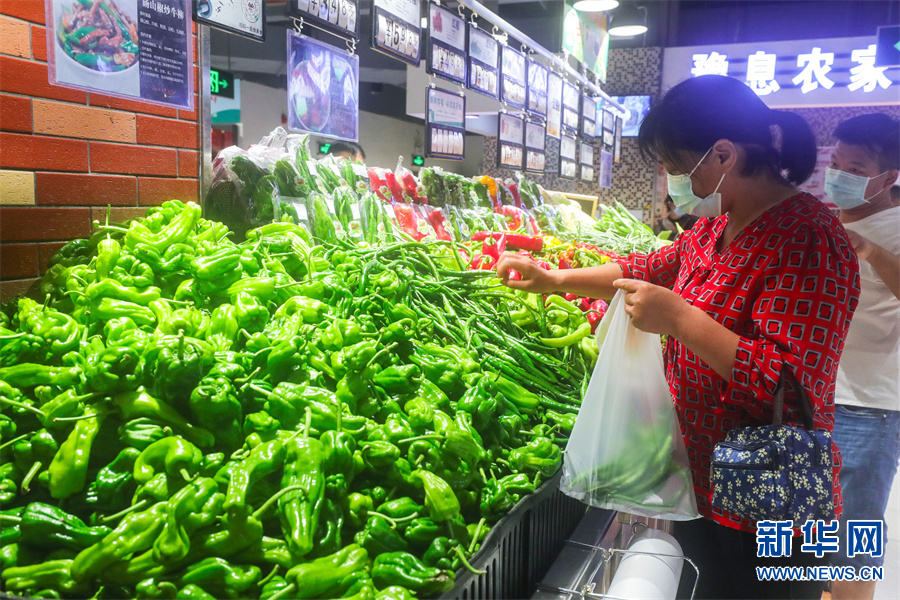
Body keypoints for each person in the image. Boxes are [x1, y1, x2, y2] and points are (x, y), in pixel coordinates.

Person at [495, 74, 860, 600]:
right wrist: (553, 279)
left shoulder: (810, 239)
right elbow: (644, 265)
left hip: (768, 494)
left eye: (672, 164)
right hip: (702, 480)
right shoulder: (715, 226)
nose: (668, 179)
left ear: (723, 155)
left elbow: (790, 381)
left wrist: (682, 320)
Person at [825, 113, 900, 600]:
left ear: (889, 176)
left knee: (854, 537)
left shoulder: (892, 228)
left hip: (870, 406)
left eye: (856, 166)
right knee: (816, 535)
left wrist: (871, 251)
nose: (841, 174)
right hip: (818, 394)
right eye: (836, 162)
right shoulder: (831, 219)